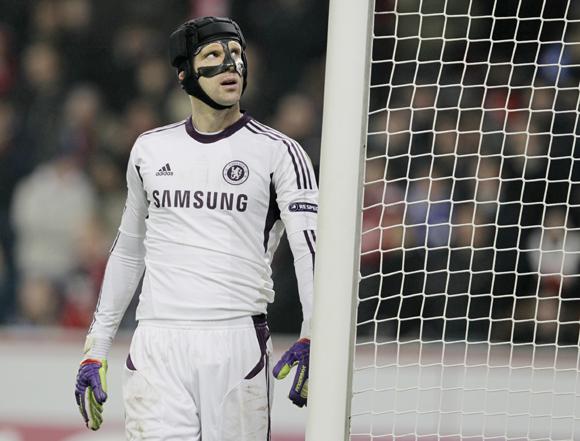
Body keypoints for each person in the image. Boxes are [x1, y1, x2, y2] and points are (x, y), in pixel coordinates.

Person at [74, 16, 317, 440]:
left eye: (237, 56)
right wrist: (95, 349)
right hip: (157, 342)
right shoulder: (151, 149)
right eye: (214, 56)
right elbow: (130, 250)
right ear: (184, 73)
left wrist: (314, 333)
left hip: (235, 342)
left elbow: (310, 252)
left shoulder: (279, 152)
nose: (231, 67)